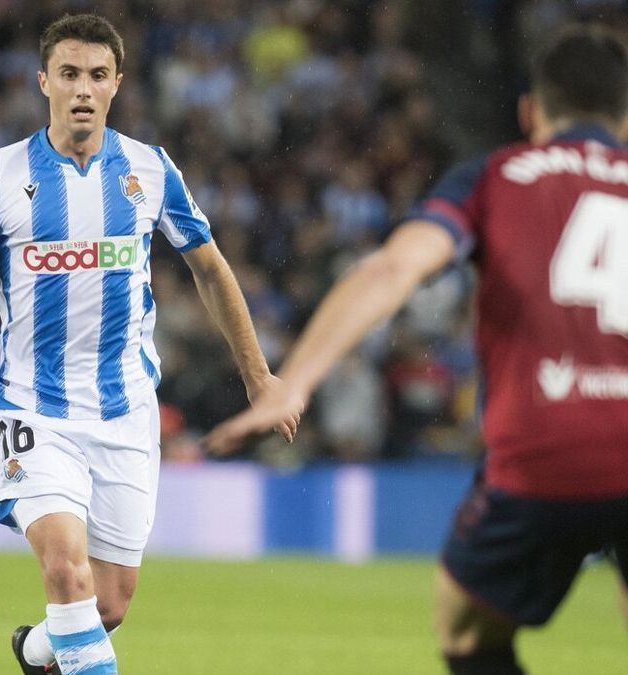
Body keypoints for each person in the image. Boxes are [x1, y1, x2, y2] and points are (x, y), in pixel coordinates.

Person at [0, 14, 296, 675]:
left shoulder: (149, 171)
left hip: (126, 412)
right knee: (67, 572)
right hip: (33, 412)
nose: (82, 89)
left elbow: (211, 269)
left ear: (117, 84)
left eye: (97, 76)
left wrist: (260, 380)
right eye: (69, 74)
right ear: (43, 81)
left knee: (107, 604)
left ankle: (34, 650)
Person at [204, 25, 628, 675]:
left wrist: (296, 381)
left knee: (464, 631)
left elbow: (391, 271)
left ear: (531, 112)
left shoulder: (495, 175)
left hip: (547, 449)